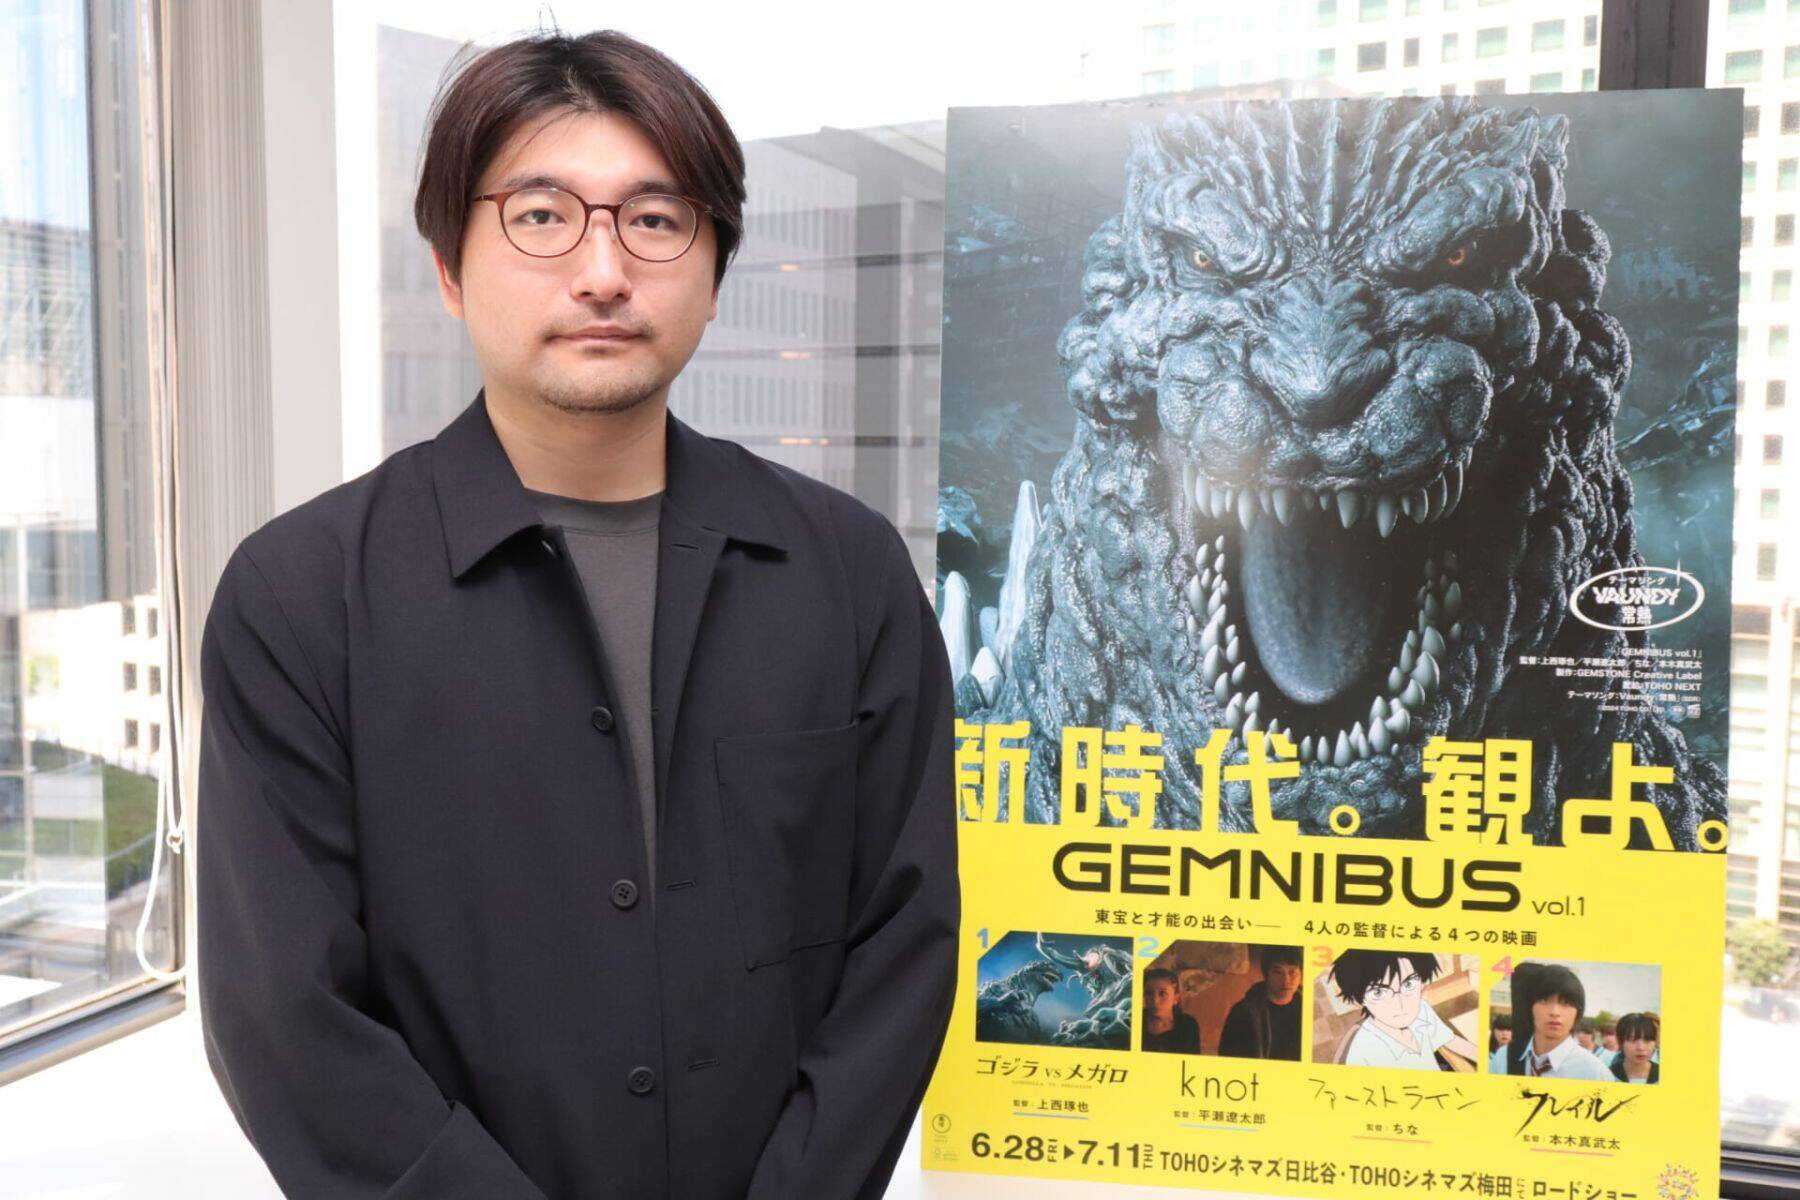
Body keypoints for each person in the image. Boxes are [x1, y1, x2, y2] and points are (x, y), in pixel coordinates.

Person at [195, 30, 958, 1200]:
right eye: (541, 216)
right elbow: (285, 1016)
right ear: (449, 267)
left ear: (715, 273)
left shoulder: (847, 572)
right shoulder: (302, 594)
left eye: (654, 219)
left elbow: (903, 946)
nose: (602, 271)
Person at [1330, 951, 1480, 1071]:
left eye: (1408, 985)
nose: (1400, 1004)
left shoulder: (1421, 1010)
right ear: (1361, 999)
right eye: (1379, 993)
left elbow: (1449, 1040)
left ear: (1422, 983)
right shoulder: (1363, 1055)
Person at [1491, 963, 1613, 1080]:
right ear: (1530, 1007)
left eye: (1566, 1003)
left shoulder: (1594, 1073)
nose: (1555, 1012)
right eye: (1544, 1000)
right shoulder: (1504, 1057)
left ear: (1578, 1012)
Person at [1217, 945, 1304, 1060]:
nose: (1286, 980)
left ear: (1300, 975)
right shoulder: (1243, 1012)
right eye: (1278, 972)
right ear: (1266, 975)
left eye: (1292, 972)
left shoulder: (1309, 1007)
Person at [1141, 968, 1201, 1054]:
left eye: (1163, 994)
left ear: (1176, 998)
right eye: (1149, 993)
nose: (1155, 1000)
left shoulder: (1187, 1026)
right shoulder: (1132, 1022)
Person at [1610, 1012, 1660, 1084]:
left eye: (1647, 1040)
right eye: (1633, 1040)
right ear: (1620, 1041)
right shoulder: (1608, 1076)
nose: (1641, 1047)